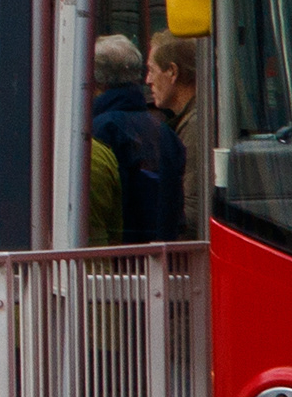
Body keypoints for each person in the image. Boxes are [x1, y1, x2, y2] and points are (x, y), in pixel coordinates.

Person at [89, 34, 184, 248]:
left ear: (96, 80)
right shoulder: (164, 130)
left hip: (123, 262)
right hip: (163, 258)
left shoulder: (100, 131)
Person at [148, 33, 210, 237]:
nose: (148, 80)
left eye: (151, 70)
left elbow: (193, 212)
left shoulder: (196, 126)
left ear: (172, 72)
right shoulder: (197, 118)